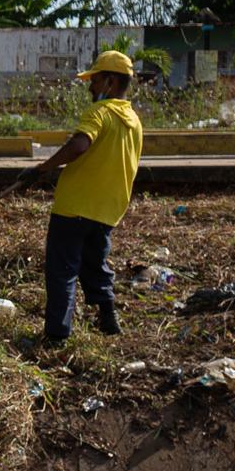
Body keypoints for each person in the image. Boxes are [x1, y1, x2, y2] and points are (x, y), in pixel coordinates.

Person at [25, 50, 144, 344]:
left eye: (94, 80)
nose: (90, 87)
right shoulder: (134, 121)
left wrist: (42, 168)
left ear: (110, 81)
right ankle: (109, 318)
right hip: (107, 210)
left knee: (62, 271)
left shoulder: (99, 113)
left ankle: (56, 335)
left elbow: (79, 145)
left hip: (74, 207)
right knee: (95, 265)